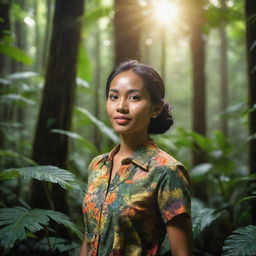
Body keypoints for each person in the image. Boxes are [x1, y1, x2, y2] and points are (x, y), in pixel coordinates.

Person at [80, 60, 193, 256]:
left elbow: (182, 252)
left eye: (134, 98)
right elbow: (89, 237)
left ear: (155, 109)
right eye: (113, 96)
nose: (121, 106)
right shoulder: (98, 165)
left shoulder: (167, 171)